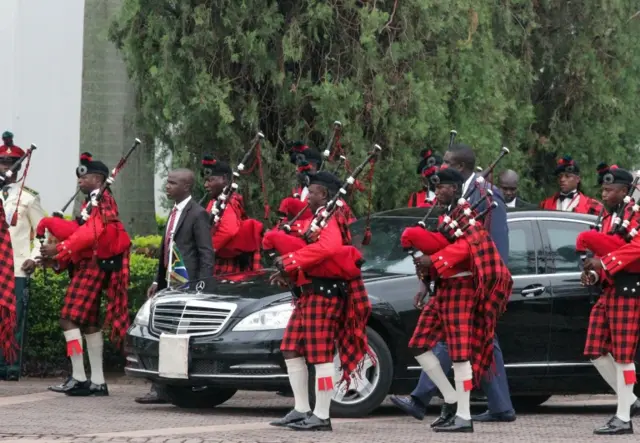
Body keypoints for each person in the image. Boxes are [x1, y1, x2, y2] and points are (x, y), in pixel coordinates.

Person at [391, 143, 516, 423]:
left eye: (446, 163)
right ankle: (497, 406)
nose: (440, 167)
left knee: (461, 346)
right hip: (449, 280)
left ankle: (436, 402)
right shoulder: (452, 200)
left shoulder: (485, 196)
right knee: (480, 342)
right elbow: (445, 240)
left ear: (459, 168)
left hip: (475, 282)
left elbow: (491, 244)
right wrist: (428, 277)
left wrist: (491, 283)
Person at [266, 171, 372, 431]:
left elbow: (328, 249)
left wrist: (290, 261)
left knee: (322, 357)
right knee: (290, 349)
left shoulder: (332, 216)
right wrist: (289, 272)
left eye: (311, 191)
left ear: (323, 194)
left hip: (324, 296)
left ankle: (322, 415)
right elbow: (309, 251)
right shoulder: (318, 217)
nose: (306, 195)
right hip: (308, 295)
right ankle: (301, 409)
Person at [40, 152, 131, 396]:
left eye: (85, 176)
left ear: (99, 179)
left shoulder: (103, 201)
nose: (80, 181)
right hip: (91, 264)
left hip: (93, 265)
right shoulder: (92, 201)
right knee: (90, 323)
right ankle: (98, 381)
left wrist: (59, 249)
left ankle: (79, 377)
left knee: (67, 319)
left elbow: (91, 233)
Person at [135, 168, 215, 405]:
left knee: (177, 336)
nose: (167, 186)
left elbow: (205, 252)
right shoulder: (174, 212)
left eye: (172, 183)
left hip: (189, 287)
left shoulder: (197, 214)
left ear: (187, 187)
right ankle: (161, 386)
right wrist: (156, 282)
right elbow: (167, 250)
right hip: (169, 285)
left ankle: (171, 386)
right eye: (167, 182)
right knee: (162, 333)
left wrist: (202, 286)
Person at [576, 164, 640, 435]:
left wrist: (605, 262)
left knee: (624, 356)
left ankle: (623, 417)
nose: (603, 194)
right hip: (610, 291)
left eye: (609, 190)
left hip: (629, 291)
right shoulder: (607, 217)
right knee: (594, 350)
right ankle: (631, 400)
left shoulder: (636, 216)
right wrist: (592, 273)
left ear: (625, 191)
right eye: (602, 189)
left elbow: (636, 248)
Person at [0, 145, 44, 380]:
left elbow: (43, 232)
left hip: (16, 268)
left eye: (12, 163)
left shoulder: (28, 198)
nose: (7, 167)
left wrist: (33, 257)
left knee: (14, 320)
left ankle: (11, 367)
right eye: (3, 162)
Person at [201, 155, 263, 275]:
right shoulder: (216, 200)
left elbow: (229, 230)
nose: (206, 185)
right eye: (205, 181)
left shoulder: (227, 202)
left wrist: (209, 249)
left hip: (226, 261)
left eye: (210, 180)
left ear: (224, 179)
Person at [539, 155, 603, 214]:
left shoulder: (593, 206)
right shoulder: (545, 205)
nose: (562, 179)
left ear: (577, 179)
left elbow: (605, 225)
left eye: (567, 176)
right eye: (560, 176)